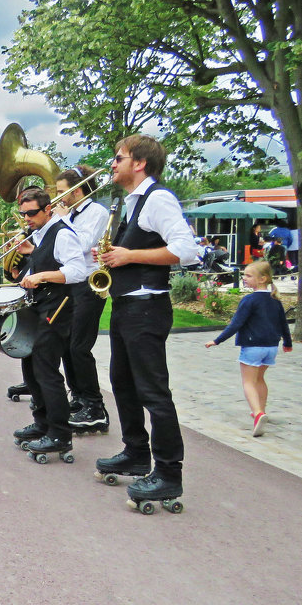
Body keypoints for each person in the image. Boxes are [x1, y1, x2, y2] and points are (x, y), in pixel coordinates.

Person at [96, 134, 201, 507]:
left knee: (154, 392)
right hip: (128, 306)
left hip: (147, 307)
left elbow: (187, 251)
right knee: (122, 383)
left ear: (139, 163)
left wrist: (129, 256)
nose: (113, 164)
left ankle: (169, 473)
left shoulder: (158, 198)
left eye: (118, 158)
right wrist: (113, 256)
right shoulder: (134, 202)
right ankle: (136, 453)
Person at [8, 188, 87, 463]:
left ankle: (60, 434)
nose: (26, 218)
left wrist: (40, 274)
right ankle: (42, 422)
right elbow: (45, 262)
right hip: (41, 305)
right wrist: (27, 268)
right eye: (23, 214)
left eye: (31, 213)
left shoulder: (62, 233)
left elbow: (78, 270)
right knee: (29, 363)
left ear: (47, 209)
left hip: (58, 307)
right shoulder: (41, 235)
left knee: (46, 368)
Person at [53, 166, 113, 434]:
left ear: (77, 190)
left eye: (61, 192)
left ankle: (96, 406)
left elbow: (81, 243)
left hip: (90, 285)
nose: (58, 198)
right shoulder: (72, 214)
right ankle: (78, 398)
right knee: (66, 346)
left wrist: (62, 220)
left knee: (79, 347)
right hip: (71, 283)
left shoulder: (96, 212)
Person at [205, 261, 292, 437]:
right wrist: (287, 343)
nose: (244, 278)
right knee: (260, 379)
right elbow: (283, 323)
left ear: (263, 279)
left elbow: (236, 324)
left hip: (253, 346)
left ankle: (258, 413)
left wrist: (217, 340)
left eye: (248, 276)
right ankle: (261, 409)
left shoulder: (249, 300)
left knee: (248, 382)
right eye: (244, 275)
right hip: (271, 347)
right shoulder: (275, 300)